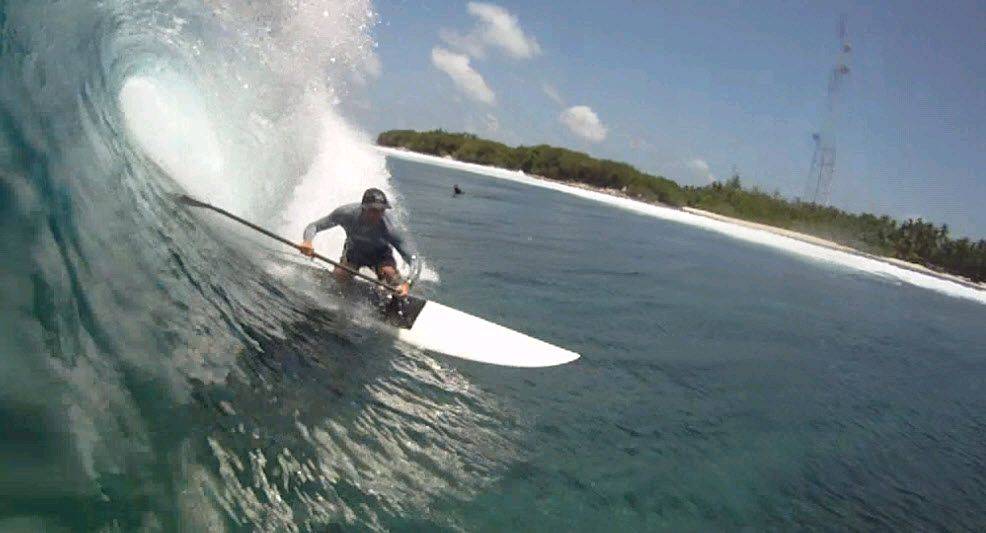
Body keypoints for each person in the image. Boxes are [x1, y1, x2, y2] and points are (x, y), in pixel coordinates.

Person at [298, 188, 417, 297]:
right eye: (373, 210)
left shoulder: (391, 227)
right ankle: (342, 296)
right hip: (354, 253)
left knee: (389, 273)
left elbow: (414, 260)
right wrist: (307, 242)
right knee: (340, 275)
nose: (378, 214)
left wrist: (408, 283)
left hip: (381, 256)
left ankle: (395, 295)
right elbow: (314, 226)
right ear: (364, 208)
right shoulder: (346, 214)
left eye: (381, 210)